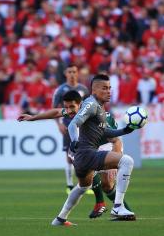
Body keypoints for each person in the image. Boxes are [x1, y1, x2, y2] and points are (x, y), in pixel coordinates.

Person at [18, 90, 131, 219]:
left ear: (81, 105)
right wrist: (32, 118)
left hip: (108, 145)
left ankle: (122, 209)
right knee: (81, 161)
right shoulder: (73, 112)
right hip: (90, 147)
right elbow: (56, 112)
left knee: (107, 184)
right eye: (66, 107)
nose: (69, 111)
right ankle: (101, 203)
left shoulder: (98, 115)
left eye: (72, 107)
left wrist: (114, 162)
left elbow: (116, 140)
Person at [50, 74, 139, 226]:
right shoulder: (91, 104)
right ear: (94, 90)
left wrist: (126, 130)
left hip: (82, 157)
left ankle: (60, 219)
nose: (109, 91)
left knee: (82, 187)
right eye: (104, 88)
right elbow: (73, 125)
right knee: (127, 161)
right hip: (87, 153)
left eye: (110, 88)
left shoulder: (99, 108)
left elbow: (105, 133)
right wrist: (75, 140)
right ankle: (118, 207)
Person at [52, 65, 89, 194]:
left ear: (77, 73)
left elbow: (88, 106)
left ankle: (85, 184)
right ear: (65, 73)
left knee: (85, 154)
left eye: (74, 71)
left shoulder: (83, 89)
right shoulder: (61, 90)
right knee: (70, 155)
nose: (72, 74)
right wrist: (59, 124)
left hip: (83, 126)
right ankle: (69, 184)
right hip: (68, 126)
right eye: (70, 72)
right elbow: (54, 109)